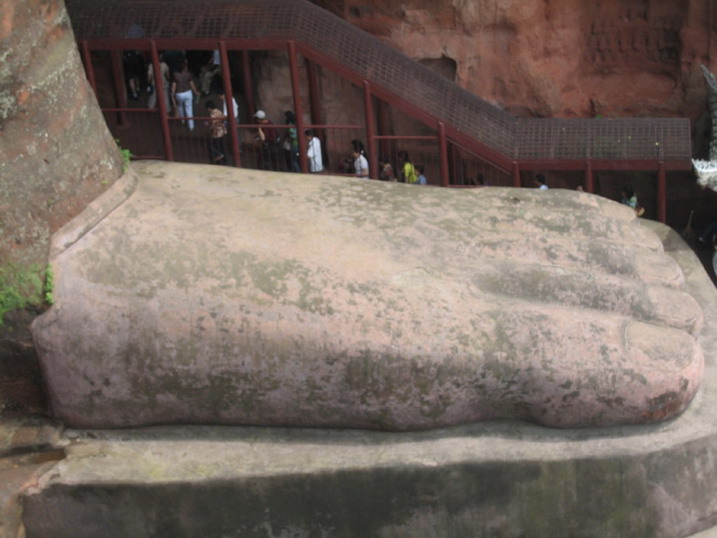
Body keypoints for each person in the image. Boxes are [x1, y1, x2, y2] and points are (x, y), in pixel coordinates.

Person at [171, 60, 200, 130]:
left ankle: (182, 120)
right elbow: (191, 84)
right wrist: (195, 91)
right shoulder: (188, 74)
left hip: (179, 93)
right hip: (188, 92)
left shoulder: (175, 75)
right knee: (189, 109)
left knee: (180, 106)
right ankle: (191, 126)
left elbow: (173, 86)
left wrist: (172, 95)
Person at [205, 100, 227, 165]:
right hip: (222, 131)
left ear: (209, 108)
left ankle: (218, 156)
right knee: (222, 146)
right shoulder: (219, 111)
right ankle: (225, 160)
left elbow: (213, 122)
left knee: (212, 145)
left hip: (216, 132)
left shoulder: (213, 113)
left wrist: (207, 124)